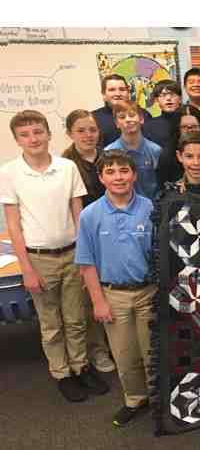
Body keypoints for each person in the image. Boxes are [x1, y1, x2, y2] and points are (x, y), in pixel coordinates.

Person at [0, 110, 108, 402]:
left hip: (72, 254)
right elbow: (14, 225)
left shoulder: (67, 167)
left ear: (49, 134)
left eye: (38, 132)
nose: (33, 139)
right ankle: (62, 373)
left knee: (76, 318)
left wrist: (85, 258)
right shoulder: (10, 173)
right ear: (17, 140)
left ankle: (81, 366)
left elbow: (78, 215)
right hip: (38, 258)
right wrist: (26, 269)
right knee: (51, 324)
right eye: (25, 135)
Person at [75, 150, 156, 427]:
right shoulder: (90, 215)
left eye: (124, 170)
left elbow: (160, 255)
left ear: (134, 175)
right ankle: (135, 399)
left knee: (152, 352)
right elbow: (86, 264)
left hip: (148, 293)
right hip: (113, 295)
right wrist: (98, 302)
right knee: (125, 354)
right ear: (101, 178)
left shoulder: (150, 208)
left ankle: (158, 399)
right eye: (110, 172)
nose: (118, 177)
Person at [61, 109, 115, 373]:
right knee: (90, 296)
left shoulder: (109, 158)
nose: (88, 135)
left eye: (92, 129)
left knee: (112, 294)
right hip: (85, 236)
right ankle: (98, 350)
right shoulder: (65, 165)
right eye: (81, 130)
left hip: (112, 235)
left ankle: (116, 345)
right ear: (70, 133)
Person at [104, 101, 162, 200]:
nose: (128, 120)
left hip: (152, 206)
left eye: (132, 115)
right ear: (117, 123)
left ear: (141, 119)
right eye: (122, 117)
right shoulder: (108, 152)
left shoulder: (155, 150)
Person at [156, 105, 200, 186]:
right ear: (177, 129)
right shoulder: (167, 156)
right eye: (184, 127)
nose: (190, 131)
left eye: (194, 126)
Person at [92, 74, 151, 147]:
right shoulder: (93, 119)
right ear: (104, 95)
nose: (117, 94)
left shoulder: (143, 114)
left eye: (122, 89)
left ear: (128, 93)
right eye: (112, 90)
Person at [142, 79, 182, 147]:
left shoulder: (188, 122)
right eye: (163, 95)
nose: (168, 98)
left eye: (172, 94)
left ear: (180, 99)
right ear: (156, 100)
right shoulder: (148, 127)